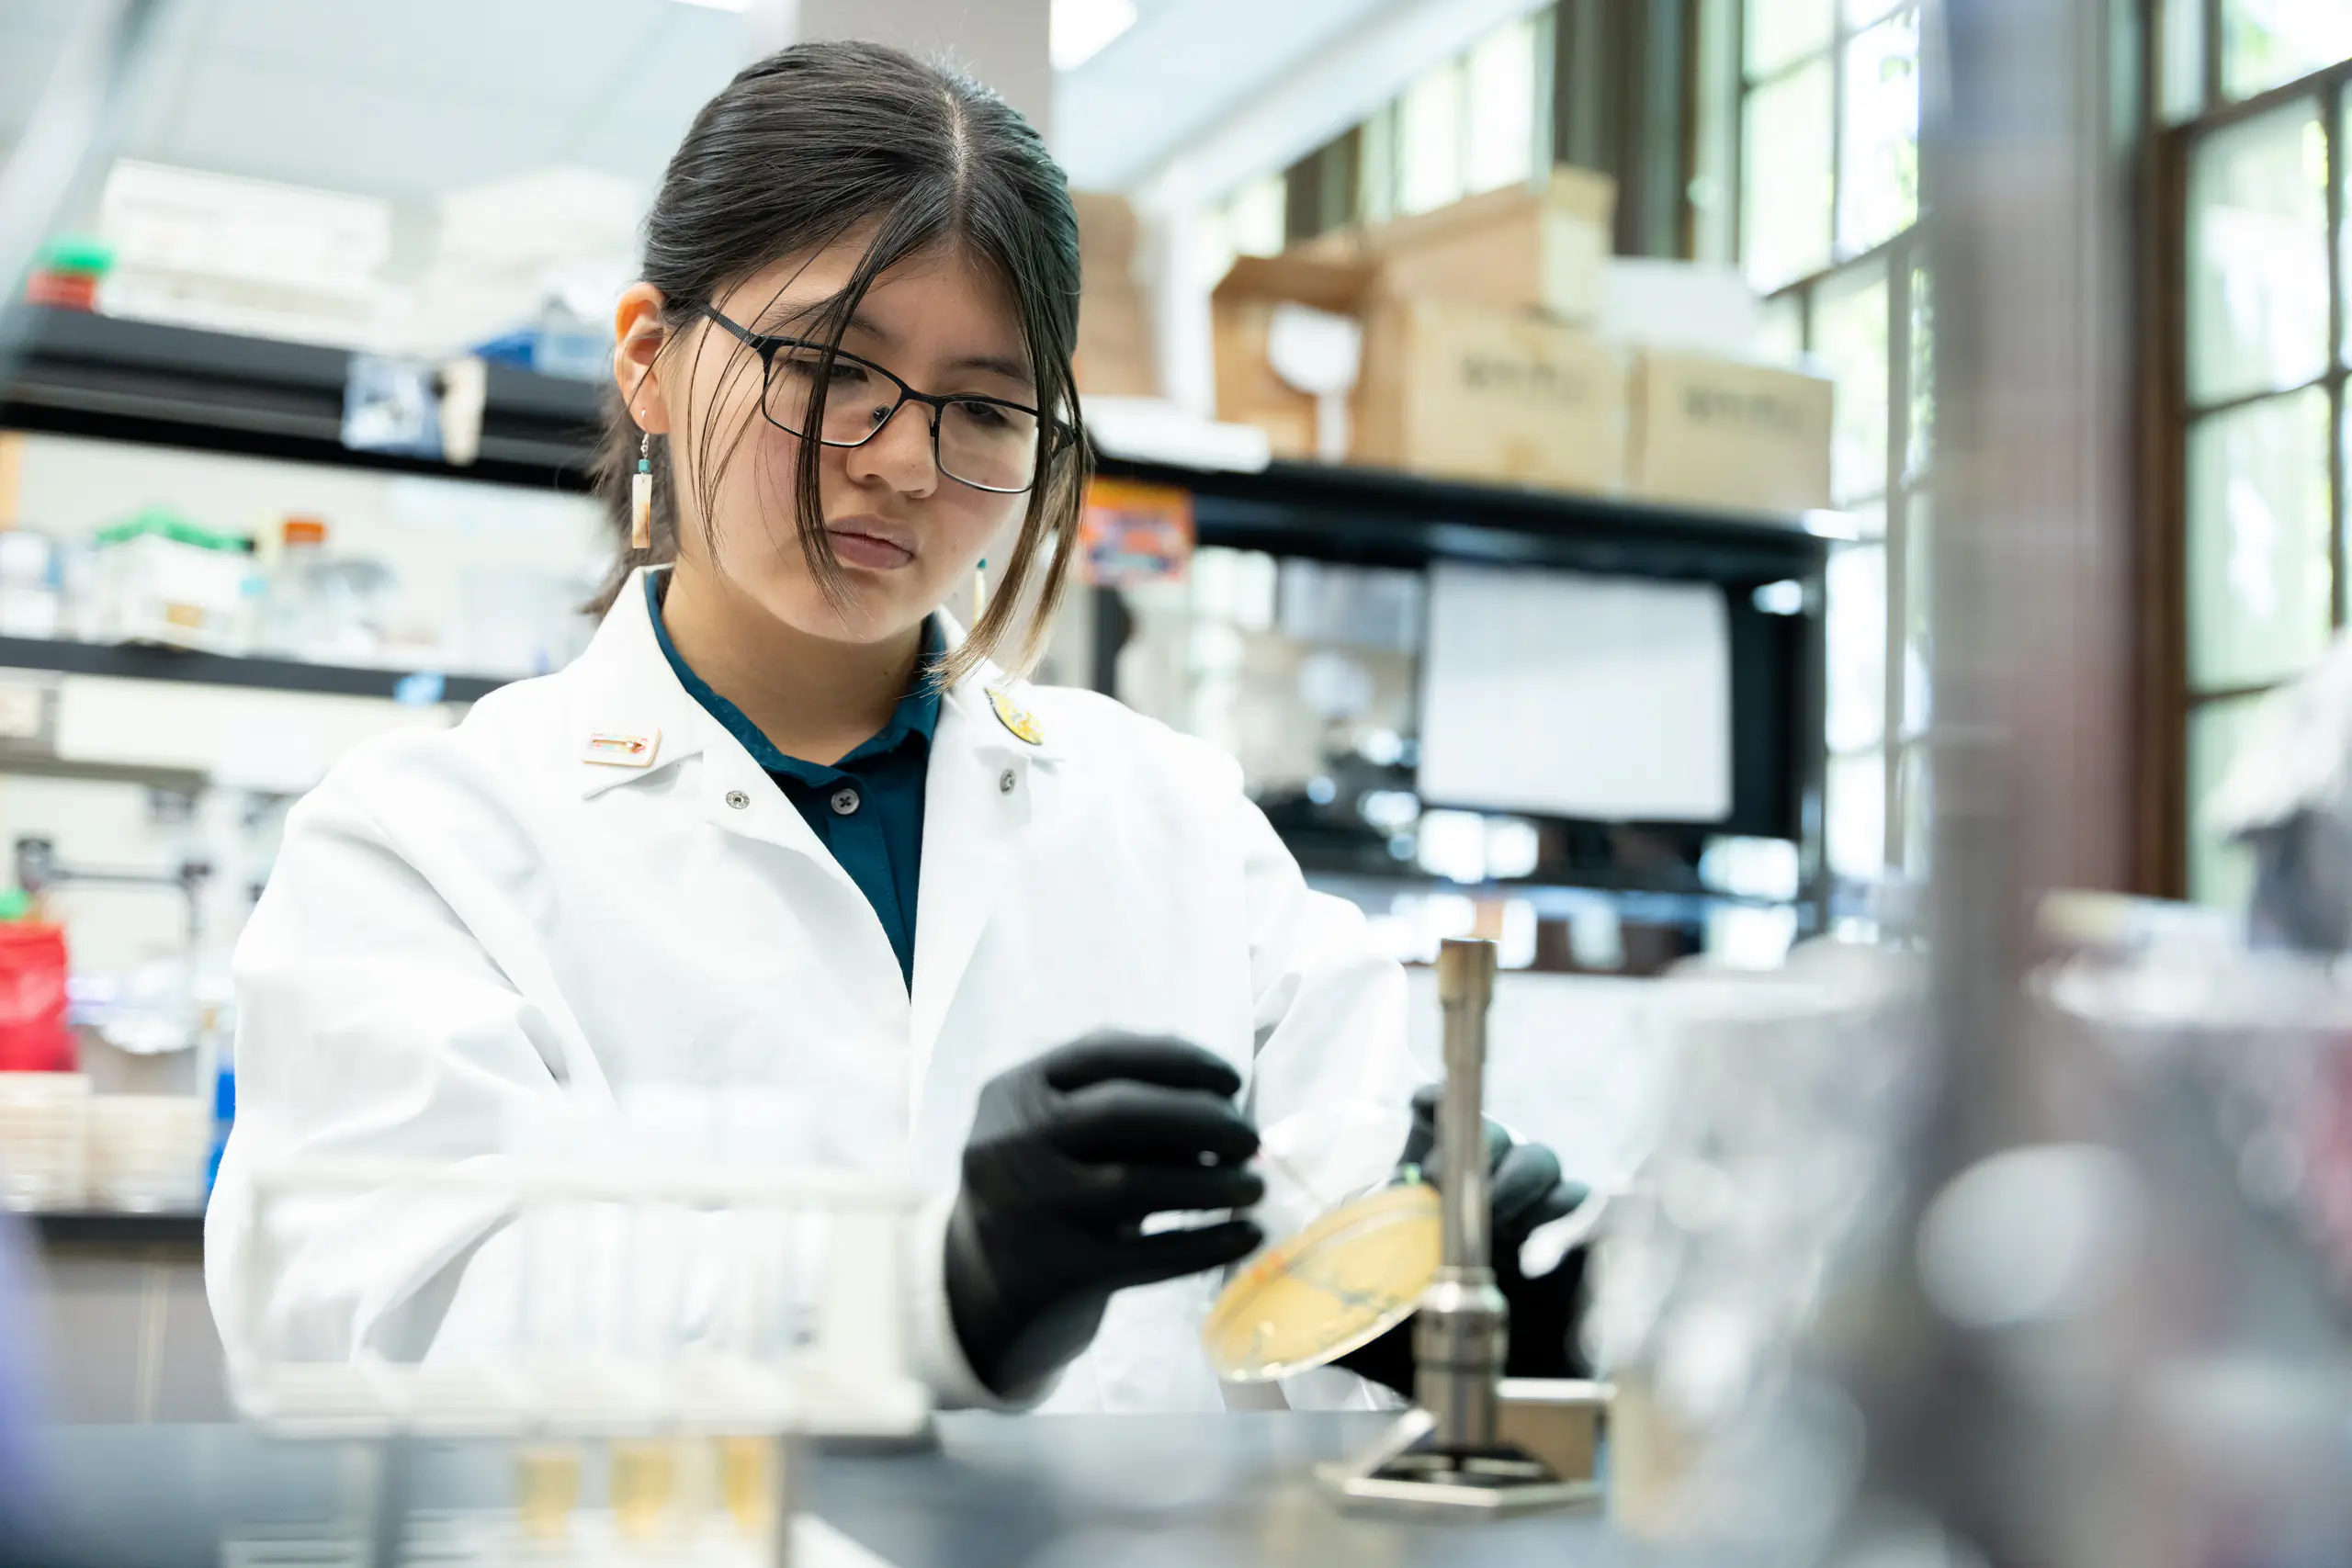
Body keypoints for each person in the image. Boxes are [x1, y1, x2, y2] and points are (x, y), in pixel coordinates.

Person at [205, 39, 1583, 1414]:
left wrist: (1444, 1314)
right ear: (650, 360)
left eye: (984, 408)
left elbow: (1343, 1197)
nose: (906, 462)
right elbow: (386, 1308)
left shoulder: (1174, 822)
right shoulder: (426, 844)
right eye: (827, 367)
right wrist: (937, 1289)